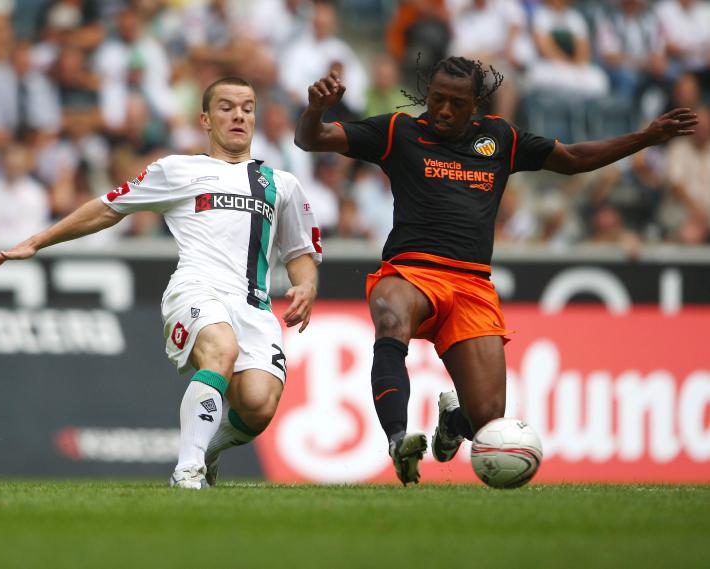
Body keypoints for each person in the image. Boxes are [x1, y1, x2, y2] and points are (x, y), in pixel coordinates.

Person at [294, 57, 697, 485]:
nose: (444, 111)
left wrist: (647, 137)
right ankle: (398, 439)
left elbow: (575, 158)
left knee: (487, 418)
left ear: (476, 105)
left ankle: (454, 421)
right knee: (390, 318)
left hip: (472, 286)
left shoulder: (500, 138)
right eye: (436, 100)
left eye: (456, 103)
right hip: (411, 272)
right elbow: (310, 139)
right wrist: (316, 110)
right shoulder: (398, 131)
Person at [0, 77, 322, 489]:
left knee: (258, 405)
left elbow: (300, 252)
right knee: (221, 349)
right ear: (205, 119)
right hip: (197, 288)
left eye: (248, 107)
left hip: (254, 305)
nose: (238, 115)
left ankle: (210, 449)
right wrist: (38, 241)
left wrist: (305, 285)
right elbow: (109, 208)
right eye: (226, 107)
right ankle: (188, 469)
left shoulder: (282, 185)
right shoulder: (178, 169)